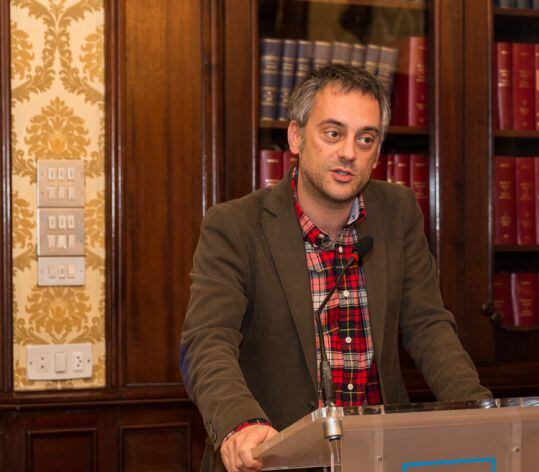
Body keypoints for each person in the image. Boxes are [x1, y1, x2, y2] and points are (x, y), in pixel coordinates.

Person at [180, 64, 491, 472]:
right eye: (333, 133)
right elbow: (207, 340)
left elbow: (428, 325)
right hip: (272, 459)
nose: (349, 152)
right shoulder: (235, 225)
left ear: (378, 153)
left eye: (366, 139)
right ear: (295, 137)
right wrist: (241, 423)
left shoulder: (397, 212)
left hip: (379, 458)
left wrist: (480, 411)